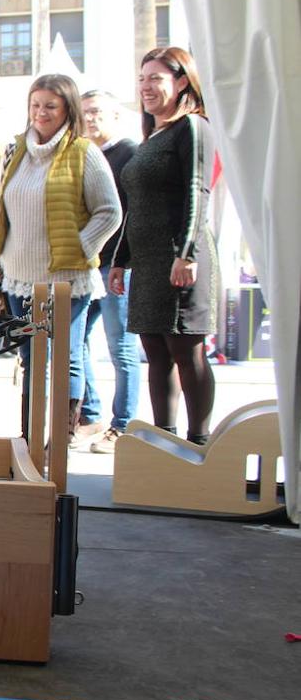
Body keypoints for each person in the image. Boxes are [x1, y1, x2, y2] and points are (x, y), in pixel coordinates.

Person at [0, 74, 121, 441]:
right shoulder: (16, 151)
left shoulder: (83, 152)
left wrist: (77, 248)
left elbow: (109, 212)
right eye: (35, 105)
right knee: (31, 356)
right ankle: (30, 437)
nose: (41, 113)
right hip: (18, 276)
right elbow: (1, 209)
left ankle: (61, 437)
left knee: (66, 356)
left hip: (65, 278)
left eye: (50, 106)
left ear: (67, 110)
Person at [110, 47, 219, 445]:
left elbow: (197, 190)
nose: (146, 87)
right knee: (155, 353)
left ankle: (199, 441)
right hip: (149, 262)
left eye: (156, 78)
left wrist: (186, 253)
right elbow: (133, 206)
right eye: (142, 79)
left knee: (186, 352)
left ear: (182, 82)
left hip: (179, 257)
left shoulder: (192, 127)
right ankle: (165, 440)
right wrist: (121, 260)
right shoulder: (151, 137)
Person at [77, 90, 142, 453]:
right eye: (85, 112)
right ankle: (90, 415)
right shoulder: (84, 154)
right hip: (86, 266)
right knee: (76, 341)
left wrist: (121, 261)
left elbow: (128, 214)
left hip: (118, 266)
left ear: (116, 115)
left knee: (121, 346)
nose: (90, 118)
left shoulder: (128, 153)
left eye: (97, 111)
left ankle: (124, 425)